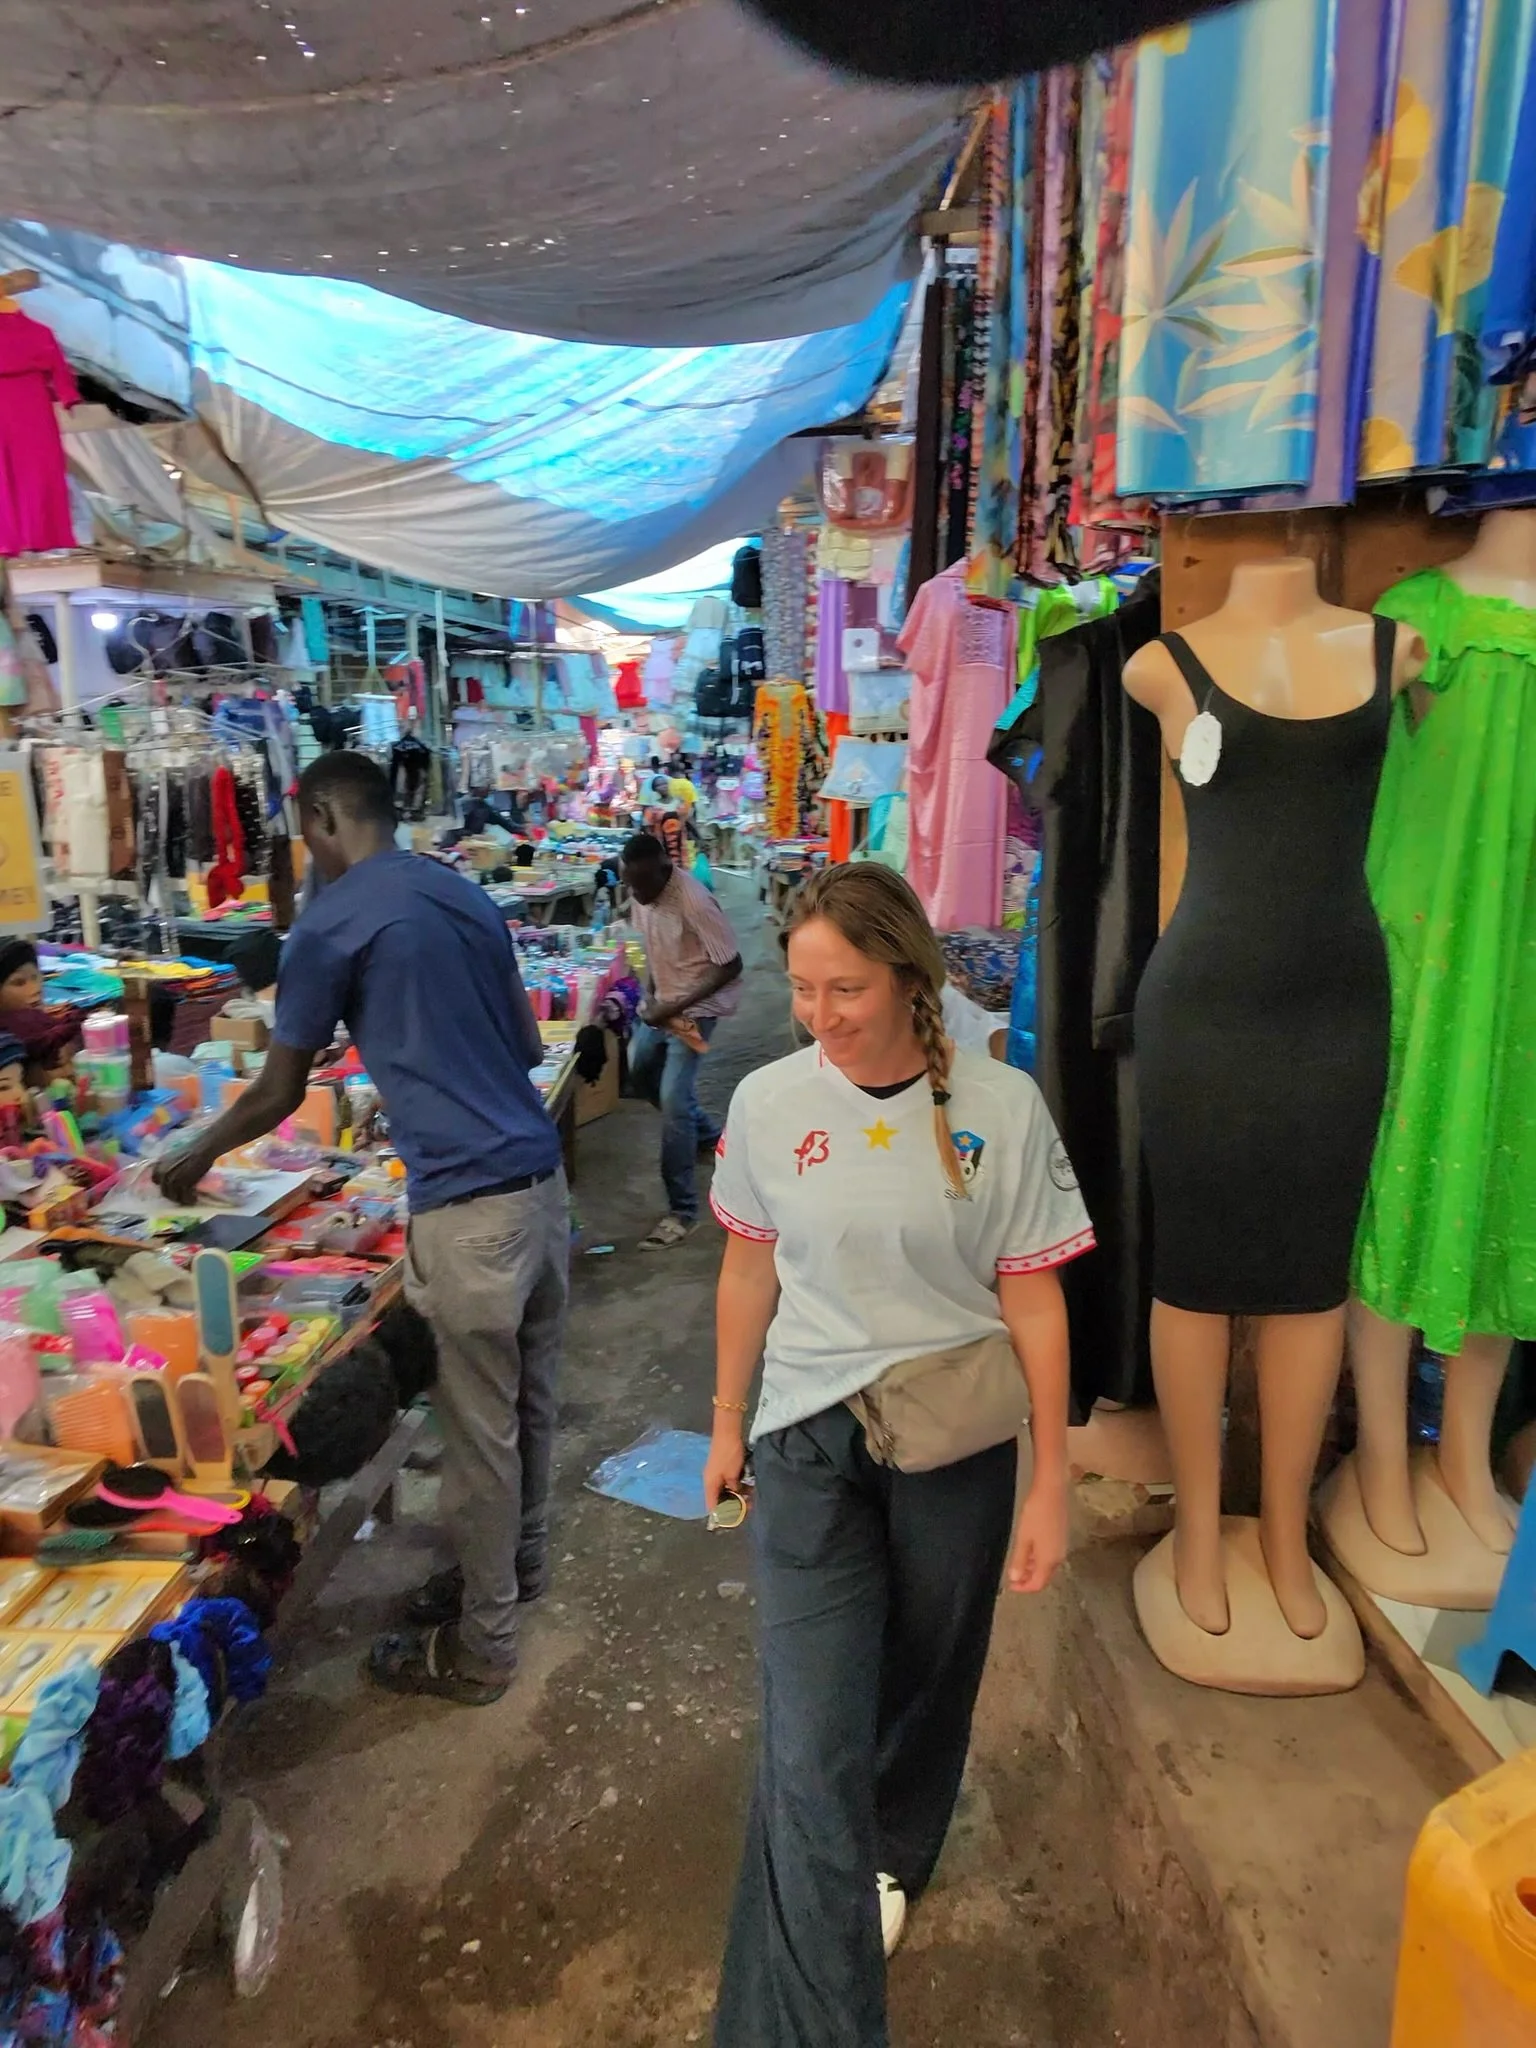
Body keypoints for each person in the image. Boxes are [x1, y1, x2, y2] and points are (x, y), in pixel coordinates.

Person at [704, 864, 1092, 2046]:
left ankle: (895, 1855)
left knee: (928, 1678)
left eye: (848, 988)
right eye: (805, 987)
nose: (821, 1014)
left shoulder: (1001, 1104)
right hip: (811, 1437)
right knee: (810, 1744)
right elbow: (748, 1265)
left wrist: (1053, 1479)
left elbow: (1032, 1299)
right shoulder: (771, 1104)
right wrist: (727, 1418)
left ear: (909, 974)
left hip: (955, 1437)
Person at [153, 752, 567, 1707]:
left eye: (302, 832)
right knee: (527, 1408)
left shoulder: (330, 925)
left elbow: (279, 1088)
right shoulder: (458, 893)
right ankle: (513, 1578)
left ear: (320, 818)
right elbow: (528, 1045)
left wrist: (191, 1159)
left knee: (478, 1440)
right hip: (540, 1189)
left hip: (470, 1212)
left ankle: (485, 1646)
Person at [620, 831, 743, 1250]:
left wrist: (674, 1007)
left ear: (664, 869)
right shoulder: (642, 893)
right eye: (630, 885)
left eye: (643, 885)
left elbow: (730, 964)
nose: (636, 894)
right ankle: (707, 1136)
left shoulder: (694, 900)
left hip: (699, 1006)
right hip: (664, 1003)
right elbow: (655, 950)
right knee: (639, 1073)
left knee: (673, 1097)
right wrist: (652, 995)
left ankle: (682, 1210)